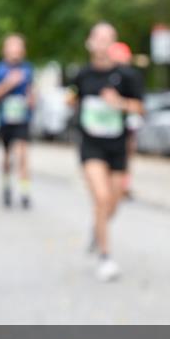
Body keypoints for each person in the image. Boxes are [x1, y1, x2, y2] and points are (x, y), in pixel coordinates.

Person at [67, 22, 144, 282]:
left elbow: (140, 107)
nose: (102, 43)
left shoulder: (126, 75)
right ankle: (105, 257)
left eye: (107, 38)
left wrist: (119, 102)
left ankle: (97, 228)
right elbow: (73, 97)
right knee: (101, 198)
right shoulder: (82, 74)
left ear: (113, 43)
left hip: (117, 145)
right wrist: (71, 102)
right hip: (91, 145)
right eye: (98, 38)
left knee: (113, 202)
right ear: (89, 42)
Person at [0, 33, 35, 209]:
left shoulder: (28, 68)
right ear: (5, 50)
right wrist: (9, 83)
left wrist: (32, 99)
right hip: (4, 119)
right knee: (7, 156)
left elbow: (31, 90)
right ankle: (7, 186)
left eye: (18, 46)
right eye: (11, 46)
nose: (15, 50)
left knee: (22, 153)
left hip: (22, 118)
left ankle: (25, 191)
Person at [108, 41, 139, 200]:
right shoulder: (110, 75)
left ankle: (123, 184)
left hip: (126, 120)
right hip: (109, 123)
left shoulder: (129, 76)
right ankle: (117, 183)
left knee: (126, 154)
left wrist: (121, 104)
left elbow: (138, 103)